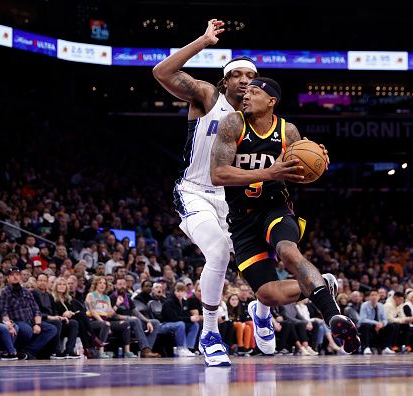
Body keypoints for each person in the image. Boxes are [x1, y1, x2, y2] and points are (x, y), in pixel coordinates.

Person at [210, 76, 360, 354]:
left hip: (274, 207)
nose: (245, 96)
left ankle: (332, 315)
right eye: (246, 92)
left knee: (289, 251)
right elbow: (218, 174)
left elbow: (301, 170)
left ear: (271, 101)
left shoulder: (287, 131)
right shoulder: (234, 124)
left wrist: (317, 158)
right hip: (242, 219)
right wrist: (270, 172)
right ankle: (322, 283)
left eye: (253, 92)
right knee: (267, 294)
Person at [152, 18, 258, 367]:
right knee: (217, 252)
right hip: (194, 190)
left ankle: (262, 307)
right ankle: (210, 332)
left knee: (257, 255)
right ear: (225, 80)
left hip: (230, 198)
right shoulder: (207, 97)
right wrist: (202, 41)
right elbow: (162, 73)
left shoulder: (255, 119)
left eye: (250, 77)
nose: (245, 80)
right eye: (238, 75)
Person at [0, 267, 57, 359]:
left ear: (20, 277)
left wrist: (37, 324)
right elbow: (4, 311)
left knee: (52, 329)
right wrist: (9, 324)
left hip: (31, 320)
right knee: (27, 330)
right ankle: (21, 350)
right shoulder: (5, 292)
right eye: (12, 275)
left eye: (17, 275)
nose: (15, 277)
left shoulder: (26, 291)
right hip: (17, 321)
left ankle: (30, 350)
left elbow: (36, 309)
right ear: (8, 278)